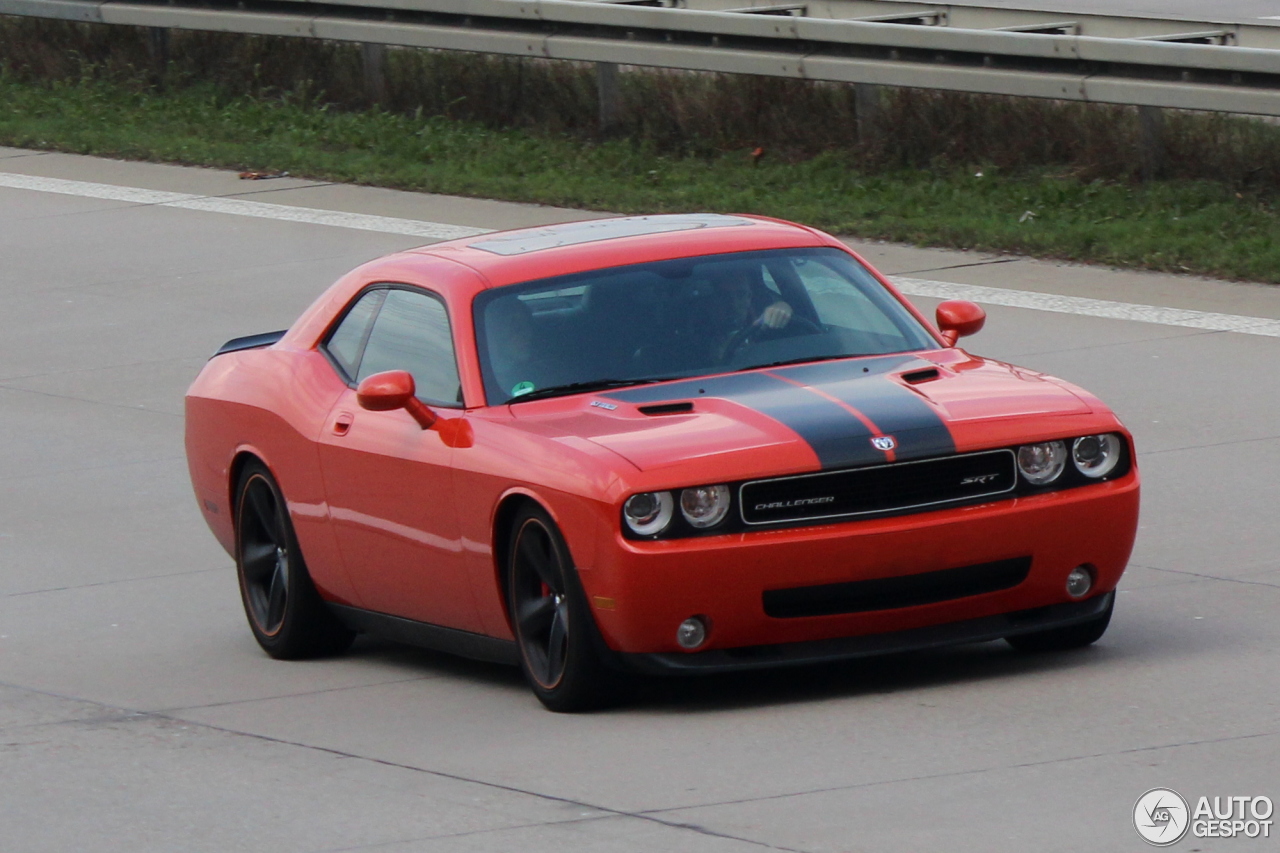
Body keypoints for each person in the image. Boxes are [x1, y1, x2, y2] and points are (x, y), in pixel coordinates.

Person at [700, 264, 793, 363]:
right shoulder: (698, 333)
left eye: (741, 294)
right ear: (712, 300)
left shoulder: (764, 321)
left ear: (749, 297)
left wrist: (784, 308)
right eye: (724, 296)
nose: (733, 304)